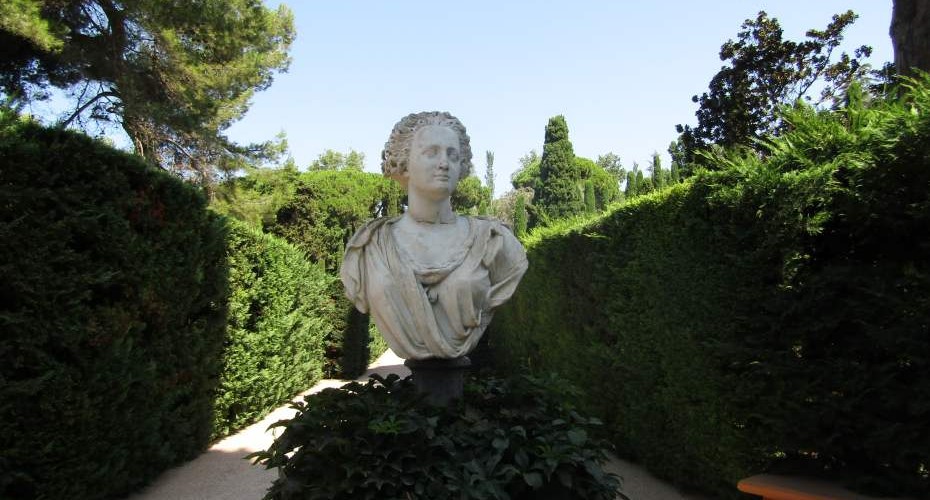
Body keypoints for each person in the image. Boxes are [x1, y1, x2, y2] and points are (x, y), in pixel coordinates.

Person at [341, 111, 528, 360]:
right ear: (404, 163)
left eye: (452, 155)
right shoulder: (371, 245)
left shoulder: (494, 240)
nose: (444, 163)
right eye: (431, 153)